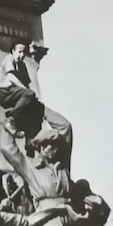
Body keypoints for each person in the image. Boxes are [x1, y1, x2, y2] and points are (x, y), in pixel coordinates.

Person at [0, 128, 88, 226]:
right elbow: (8, 149)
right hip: (48, 218)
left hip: (70, 215)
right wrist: (9, 125)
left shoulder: (62, 167)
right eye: (52, 146)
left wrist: (44, 111)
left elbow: (66, 127)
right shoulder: (32, 168)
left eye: (58, 146)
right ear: (42, 148)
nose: (56, 150)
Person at [25, 41, 74, 169]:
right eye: (48, 148)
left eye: (50, 148)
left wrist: (42, 110)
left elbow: (64, 129)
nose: (51, 151)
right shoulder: (36, 167)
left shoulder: (60, 159)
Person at [0, 42, 44, 139]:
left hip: (15, 93)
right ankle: (10, 120)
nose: (22, 55)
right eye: (20, 52)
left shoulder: (22, 66)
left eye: (24, 52)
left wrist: (37, 98)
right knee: (29, 94)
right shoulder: (10, 58)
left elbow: (27, 85)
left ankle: (30, 139)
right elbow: (11, 77)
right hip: (4, 92)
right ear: (13, 51)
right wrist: (28, 92)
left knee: (35, 106)